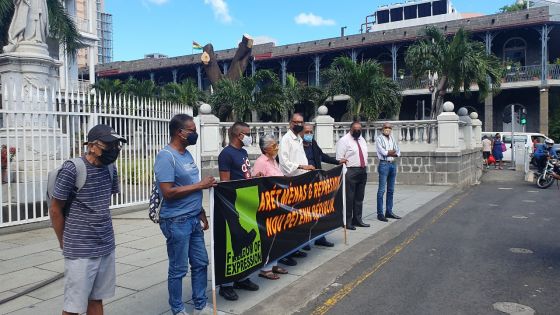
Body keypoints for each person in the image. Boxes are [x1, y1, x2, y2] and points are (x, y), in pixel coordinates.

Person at [49, 124, 126, 315]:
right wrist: (63, 241)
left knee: (96, 299)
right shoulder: (72, 169)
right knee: (73, 307)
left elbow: (101, 203)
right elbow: (55, 209)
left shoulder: (110, 169)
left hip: (105, 244)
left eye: (117, 145)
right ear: (91, 146)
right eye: (109, 145)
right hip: (80, 248)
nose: (114, 150)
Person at [154, 114, 217, 315]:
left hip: (193, 218)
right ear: (180, 133)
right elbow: (168, 192)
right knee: (178, 268)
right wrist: (201, 185)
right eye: (192, 130)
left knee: (200, 263)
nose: (195, 134)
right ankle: (178, 309)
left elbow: (190, 187)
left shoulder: (188, 154)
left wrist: (201, 212)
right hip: (176, 220)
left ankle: (200, 304)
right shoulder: (166, 156)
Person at [217, 122, 260, 301]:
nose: (250, 137)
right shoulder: (226, 154)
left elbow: (244, 174)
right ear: (239, 135)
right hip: (232, 203)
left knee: (243, 242)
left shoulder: (242, 152)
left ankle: (242, 278)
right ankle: (226, 285)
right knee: (232, 241)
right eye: (248, 134)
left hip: (245, 202)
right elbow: (225, 183)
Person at [278, 113, 315, 265]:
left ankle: (295, 247)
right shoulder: (286, 139)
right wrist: (302, 167)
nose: (299, 124)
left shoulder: (299, 139)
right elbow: (285, 163)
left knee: (298, 218)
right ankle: (285, 253)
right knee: (289, 219)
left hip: (301, 181)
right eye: (296, 122)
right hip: (290, 182)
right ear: (290, 123)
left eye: (301, 122)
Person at [302, 123, 346, 247]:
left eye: (311, 132)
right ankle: (304, 240)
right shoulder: (297, 146)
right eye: (307, 132)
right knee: (305, 213)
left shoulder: (313, 144)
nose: (309, 134)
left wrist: (337, 161)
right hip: (303, 183)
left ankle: (320, 237)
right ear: (301, 132)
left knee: (320, 210)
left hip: (316, 181)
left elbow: (322, 156)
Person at [252, 134, 289, 280]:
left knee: (277, 236)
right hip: (267, 206)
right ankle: (265, 268)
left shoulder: (274, 160)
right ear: (266, 148)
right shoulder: (261, 162)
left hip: (279, 204)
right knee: (268, 237)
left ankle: (274, 263)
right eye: (274, 146)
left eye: (276, 144)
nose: (276, 148)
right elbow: (257, 183)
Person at [335, 121, 369, 229]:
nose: (357, 131)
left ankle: (358, 219)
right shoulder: (344, 141)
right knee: (349, 198)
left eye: (359, 129)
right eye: (355, 129)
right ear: (351, 129)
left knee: (359, 197)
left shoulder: (362, 139)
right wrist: (345, 173)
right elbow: (339, 158)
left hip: (362, 170)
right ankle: (347, 221)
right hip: (350, 171)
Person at [375, 122, 402, 222]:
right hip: (384, 164)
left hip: (392, 164)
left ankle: (389, 211)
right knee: (381, 190)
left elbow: (398, 152)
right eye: (386, 127)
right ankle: (380, 213)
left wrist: (391, 152)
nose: (388, 129)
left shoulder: (392, 138)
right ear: (382, 129)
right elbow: (384, 152)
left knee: (391, 190)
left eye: (390, 128)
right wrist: (390, 152)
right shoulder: (379, 139)